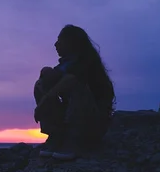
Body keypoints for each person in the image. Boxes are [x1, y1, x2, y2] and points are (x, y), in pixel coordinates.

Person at [33, 24, 115, 160]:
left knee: (74, 82)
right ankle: (56, 134)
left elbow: (71, 79)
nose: (55, 44)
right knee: (43, 79)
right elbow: (53, 78)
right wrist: (46, 75)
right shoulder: (66, 65)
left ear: (71, 43)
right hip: (72, 117)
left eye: (60, 40)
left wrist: (45, 101)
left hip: (93, 122)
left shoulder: (86, 62)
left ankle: (75, 140)